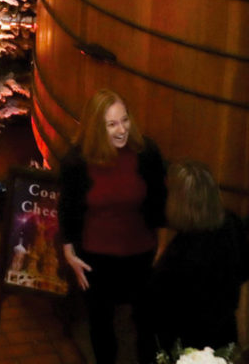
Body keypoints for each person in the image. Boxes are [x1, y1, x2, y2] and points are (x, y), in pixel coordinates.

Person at [57, 89, 167, 364]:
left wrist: (162, 246)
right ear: (96, 128)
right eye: (112, 124)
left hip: (141, 253)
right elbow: (68, 208)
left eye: (125, 120)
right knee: (101, 325)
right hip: (96, 258)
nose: (122, 130)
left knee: (147, 325)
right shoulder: (76, 162)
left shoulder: (147, 153)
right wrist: (70, 252)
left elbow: (158, 202)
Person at [152, 160, 249, 356]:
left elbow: (161, 318)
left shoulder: (176, 257)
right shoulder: (231, 222)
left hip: (188, 343)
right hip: (225, 330)